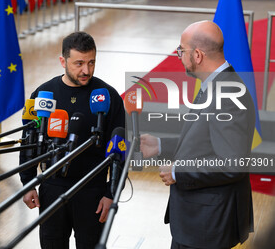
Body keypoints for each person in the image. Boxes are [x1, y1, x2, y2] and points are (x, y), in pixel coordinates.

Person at [140, 21, 255, 249]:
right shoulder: (216, 85)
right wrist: (161, 145)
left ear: (198, 55)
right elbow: (205, 142)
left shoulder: (228, 93)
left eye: (181, 50)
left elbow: (231, 164)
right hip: (199, 220)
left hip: (208, 226)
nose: (179, 56)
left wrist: (177, 172)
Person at [19, 32, 125, 249]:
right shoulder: (43, 94)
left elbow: (120, 149)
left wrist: (111, 192)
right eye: (79, 63)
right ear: (62, 61)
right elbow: (28, 141)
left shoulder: (108, 96)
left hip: (92, 191)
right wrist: (28, 182)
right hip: (51, 186)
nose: (86, 70)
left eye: (91, 62)